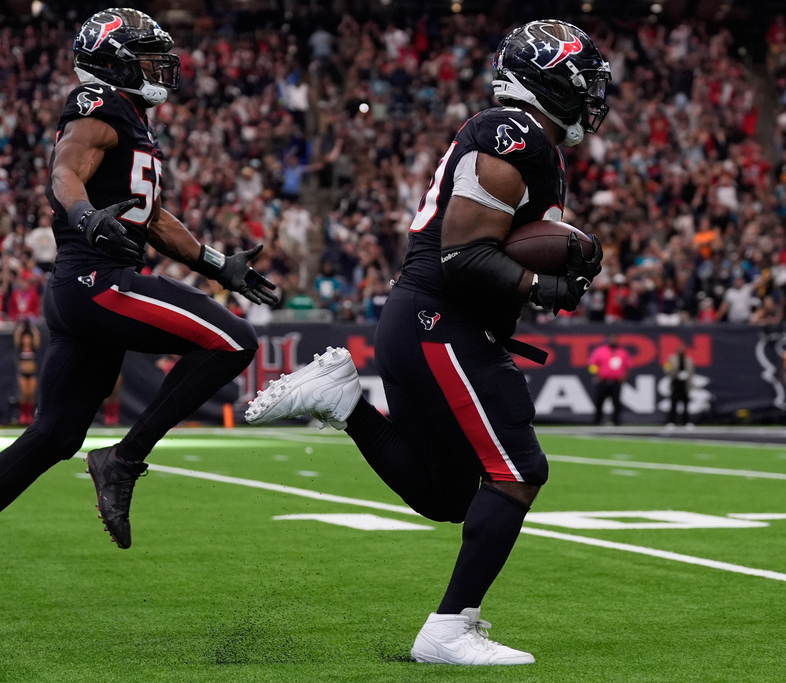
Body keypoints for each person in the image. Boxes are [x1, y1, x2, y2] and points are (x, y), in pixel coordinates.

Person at [246, 20, 607, 666]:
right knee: (520, 470)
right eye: (580, 84)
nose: (590, 98)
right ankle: (448, 629)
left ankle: (346, 404)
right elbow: (464, 254)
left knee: (447, 494)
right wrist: (538, 283)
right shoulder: (514, 132)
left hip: (428, 322)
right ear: (545, 83)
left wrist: (553, 270)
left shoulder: (531, 143)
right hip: (442, 321)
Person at [0, 8, 277, 615]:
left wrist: (215, 263)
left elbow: (151, 216)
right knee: (233, 340)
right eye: (147, 56)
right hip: (97, 280)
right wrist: (82, 215)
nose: (160, 67)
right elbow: (65, 172)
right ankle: (123, 460)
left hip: (85, 288)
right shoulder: (98, 105)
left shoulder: (131, 117)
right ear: (112, 61)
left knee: (54, 434)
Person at [587, 336, 631, 426]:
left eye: (615, 339)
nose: (613, 341)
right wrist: (595, 375)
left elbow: (628, 366)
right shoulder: (600, 351)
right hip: (603, 381)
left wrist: (624, 378)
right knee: (599, 402)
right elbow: (592, 365)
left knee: (616, 402)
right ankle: (597, 420)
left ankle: (616, 421)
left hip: (616, 382)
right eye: (612, 339)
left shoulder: (622, 352)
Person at [14, 320, 41, 425]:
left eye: (28, 338)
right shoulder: (20, 348)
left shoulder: (33, 348)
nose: (26, 340)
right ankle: (22, 414)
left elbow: (37, 337)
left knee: (31, 394)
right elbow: (17, 337)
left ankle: (29, 415)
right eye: (25, 338)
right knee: (24, 394)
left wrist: (33, 327)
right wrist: (21, 327)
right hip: (23, 374)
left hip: (32, 374)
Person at [663, 341, 695, 427]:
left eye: (683, 348)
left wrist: (688, 378)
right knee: (674, 403)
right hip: (675, 382)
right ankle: (671, 421)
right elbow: (666, 368)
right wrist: (674, 373)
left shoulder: (688, 359)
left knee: (686, 403)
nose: (681, 349)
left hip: (685, 384)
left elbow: (692, 371)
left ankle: (686, 421)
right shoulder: (672, 358)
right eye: (680, 347)